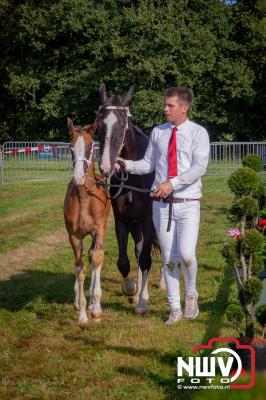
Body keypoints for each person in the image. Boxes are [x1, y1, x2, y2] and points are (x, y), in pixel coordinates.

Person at [115, 86, 210, 325]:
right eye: (165, 105)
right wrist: (125, 164)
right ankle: (174, 308)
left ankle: (191, 293)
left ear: (184, 108)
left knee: (187, 255)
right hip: (161, 205)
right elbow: (148, 164)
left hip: (188, 204)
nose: (165, 109)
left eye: (170, 105)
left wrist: (172, 183)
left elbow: (199, 168)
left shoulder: (199, 133)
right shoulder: (158, 132)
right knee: (169, 258)